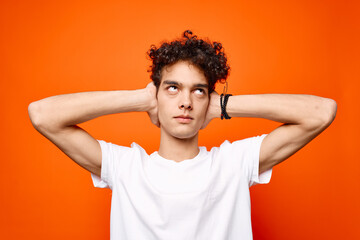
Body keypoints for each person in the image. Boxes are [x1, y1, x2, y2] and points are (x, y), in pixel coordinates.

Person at [28, 30, 337, 240]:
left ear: (209, 102)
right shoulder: (126, 167)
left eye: (198, 91)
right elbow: (42, 115)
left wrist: (224, 105)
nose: (186, 101)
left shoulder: (232, 163)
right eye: (172, 88)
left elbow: (321, 112)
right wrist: (142, 99)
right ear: (157, 96)